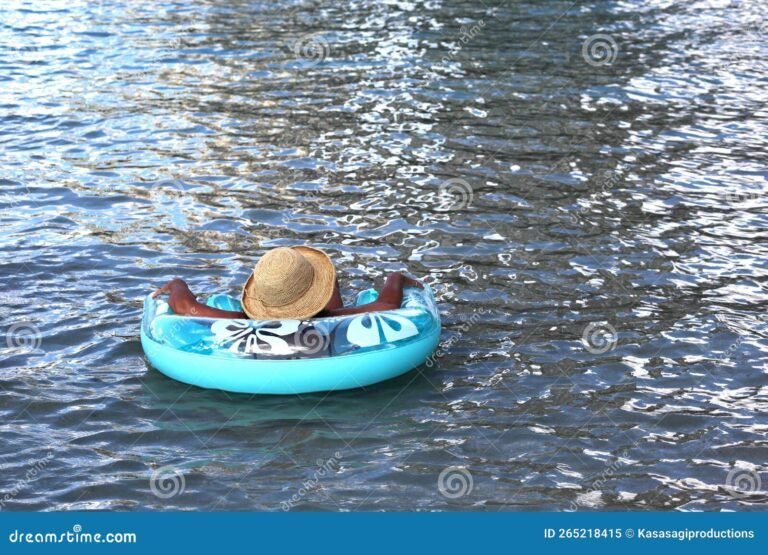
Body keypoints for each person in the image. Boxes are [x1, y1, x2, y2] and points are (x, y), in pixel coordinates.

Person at [152, 246, 423, 320]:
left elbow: (186, 308)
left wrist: (176, 284)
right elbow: (387, 303)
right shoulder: (334, 317)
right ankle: (317, 286)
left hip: (263, 321)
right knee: (331, 296)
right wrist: (395, 277)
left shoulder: (242, 319)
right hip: (323, 319)